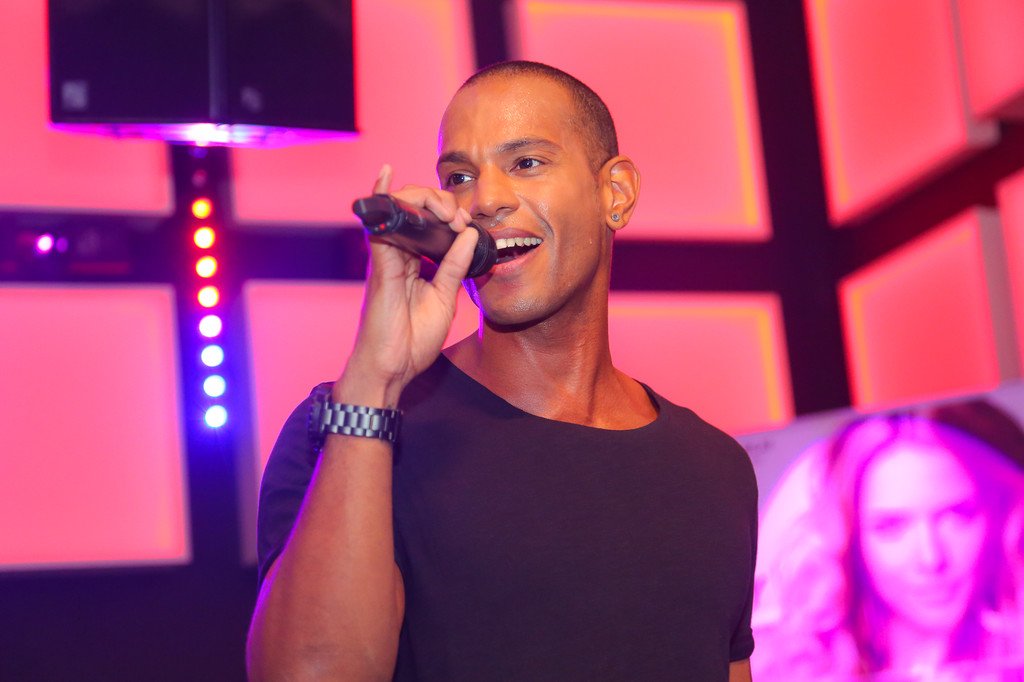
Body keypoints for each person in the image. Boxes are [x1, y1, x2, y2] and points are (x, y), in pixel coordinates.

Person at [246, 60, 758, 681]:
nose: (485, 200)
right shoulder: (352, 425)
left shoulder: (714, 466)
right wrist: (374, 382)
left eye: (526, 162)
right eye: (459, 177)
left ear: (615, 194)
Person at [751, 399, 1024, 681]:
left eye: (958, 516)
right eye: (891, 527)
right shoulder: (784, 665)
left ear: (1003, 516)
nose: (930, 559)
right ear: (851, 540)